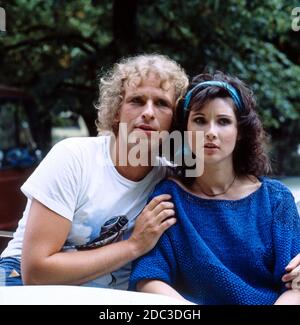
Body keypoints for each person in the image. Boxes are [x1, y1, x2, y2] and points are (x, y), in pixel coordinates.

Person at [0, 54, 189, 288]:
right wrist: (134, 245)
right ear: (116, 111)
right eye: (137, 100)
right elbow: (36, 272)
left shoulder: (170, 180)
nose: (148, 112)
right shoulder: (73, 157)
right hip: (22, 281)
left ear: (175, 120)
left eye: (162, 103)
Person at [129, 72, 300, 304]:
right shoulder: (168, 198)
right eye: (199, 120)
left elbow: (294, 285)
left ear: (240, 132)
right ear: (186, 131)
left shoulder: (276, 200)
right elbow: (148, 279)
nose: (211, 132)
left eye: (223, 121)